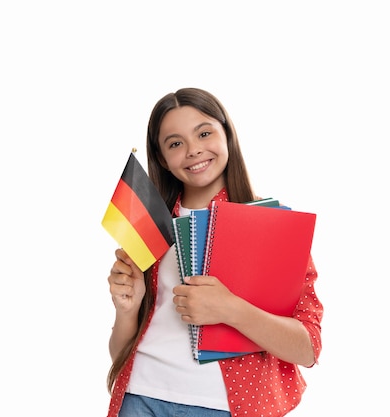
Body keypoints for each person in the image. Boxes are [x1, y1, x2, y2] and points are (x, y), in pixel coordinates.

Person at [106, 87, 323, 417]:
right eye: (175, 143)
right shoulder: (150, 228)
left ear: (227, 134)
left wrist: (230, 309)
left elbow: (307, 347)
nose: (193, 150)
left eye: (204, 133)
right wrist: (127, 308)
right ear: (163, 159)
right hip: (139, 397)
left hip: (222, 407)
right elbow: (119, 352)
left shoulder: (271, 227)